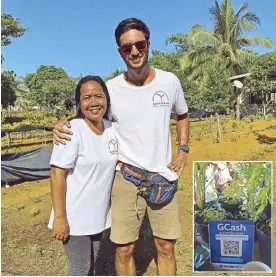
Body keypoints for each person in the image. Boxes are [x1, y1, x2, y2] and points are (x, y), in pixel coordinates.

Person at [53, 18, 189, 276]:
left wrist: (183, 149)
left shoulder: (170, 82)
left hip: (164, 176)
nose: (134, 52)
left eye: (139, 44)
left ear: (148, 45)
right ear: (119, 51)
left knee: (166, 246)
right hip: (126, 177)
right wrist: (60, 125)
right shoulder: (111, 89)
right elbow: (90, 115)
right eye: (127, 48)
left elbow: (182, 114)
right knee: (124, 249)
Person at [48, 75, 118, 276]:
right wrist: (60, 218)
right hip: (74, 216)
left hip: (98, 216)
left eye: (99, 96)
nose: (94, 102)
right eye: (87, 98)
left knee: (93, 266)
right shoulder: (72, 130)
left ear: (106, 99)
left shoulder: (112, 129)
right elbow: (56, 174)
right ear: (79, 103)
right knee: (80, 269)